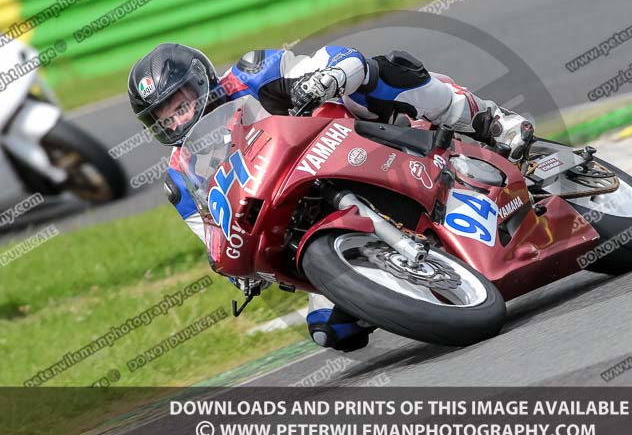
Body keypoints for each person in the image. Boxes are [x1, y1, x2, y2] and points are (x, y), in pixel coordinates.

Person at [127, 43, 532, 351]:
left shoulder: (254, 72)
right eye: (163, 117)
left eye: (179, 104)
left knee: (383, 70)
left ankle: (489, 119)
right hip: (303, 211)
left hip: (358, 140)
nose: (177, 120)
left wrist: (325, 79)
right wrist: (244, 272)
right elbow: (215, 237)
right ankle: (419, 279)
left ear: (201, 82)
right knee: (331, 330)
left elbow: (342, 58)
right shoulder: (180, 178)